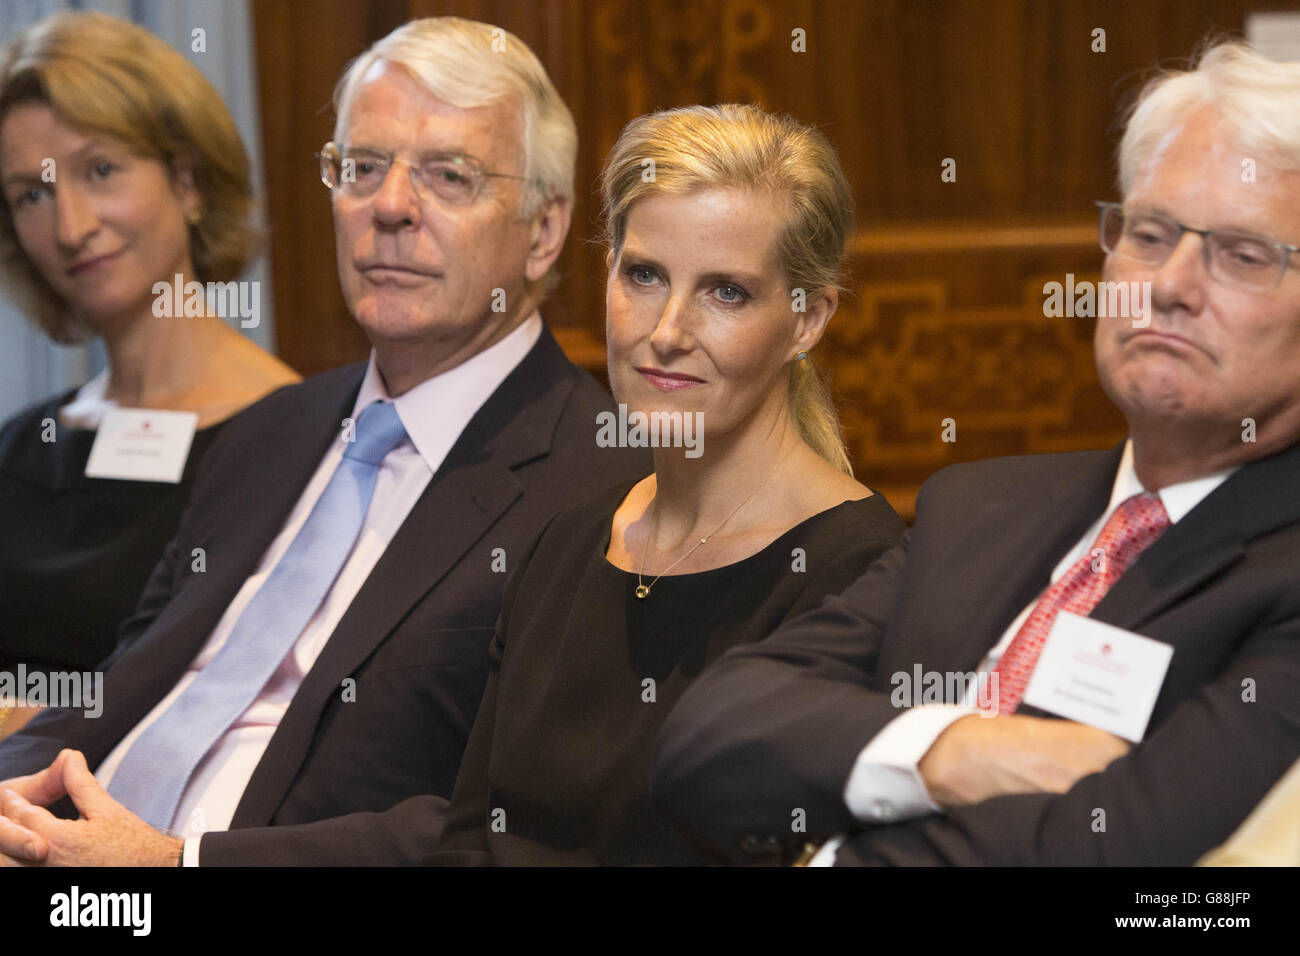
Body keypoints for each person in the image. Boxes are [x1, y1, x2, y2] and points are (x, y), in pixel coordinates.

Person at [0, 16, 647, 866]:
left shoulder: (606, 484)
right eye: (363, 167)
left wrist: (174, 868)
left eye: (449, 176)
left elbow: (519, 829)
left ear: (544, 230)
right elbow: (127, 683)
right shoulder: (273, 428)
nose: (389, 207)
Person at [651, 40, 1300, 866]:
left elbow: (1124, 855)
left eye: (1242, 254)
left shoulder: (1283, 576)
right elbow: (711, 734)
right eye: (1149, 232)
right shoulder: (980, 508)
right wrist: (948, 752)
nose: (1168, 284)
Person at [429, 104, 904, 865]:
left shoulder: (859, 579)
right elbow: (463, 843)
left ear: (809, 318)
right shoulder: (568, 543)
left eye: (727, 293)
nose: (669, 331)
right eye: (645, 275)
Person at [0, 11, 299, 710]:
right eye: (32, 195)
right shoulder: (18, 450)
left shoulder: (297, 441)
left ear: (188, 180)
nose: (71, 226)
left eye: (100, 170)